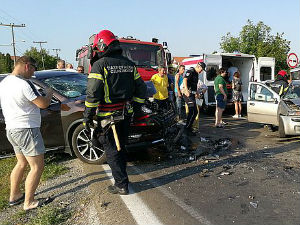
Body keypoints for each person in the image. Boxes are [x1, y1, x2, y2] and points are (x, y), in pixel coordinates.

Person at [83, 30, 146, 195]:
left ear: (102, 45)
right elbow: (141, 88)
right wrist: (137, 108)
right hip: (125, 115)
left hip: (107, 117)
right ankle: (122, 179)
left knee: (111, 151)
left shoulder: (100, 65)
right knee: (120, 148)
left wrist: (87, 116)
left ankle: (121, 185)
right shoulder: (129, 64)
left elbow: (93, 93)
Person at [0, 56, 53, 211]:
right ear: (27, 66)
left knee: (22, 163)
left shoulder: (4, 83)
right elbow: (42, 104)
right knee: (37, 167)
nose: (34, 72)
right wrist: (48, 93)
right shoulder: (23, 84)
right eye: (34, 68)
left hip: (12, 129)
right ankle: (29, 202)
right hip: (26, 129)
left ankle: (14, 195)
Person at [182, 62, 206, 136]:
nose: (201, 71)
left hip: (192, 94)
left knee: (195, 112)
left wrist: (197, 93)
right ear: (198, 66)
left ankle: (189, 128)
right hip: (188, 94)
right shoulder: (191, 71)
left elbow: (194, 85)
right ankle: (186, 129)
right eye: (201, 69)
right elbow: (185, 80)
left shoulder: (196, 73)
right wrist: (186, 90)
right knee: (192, 111)